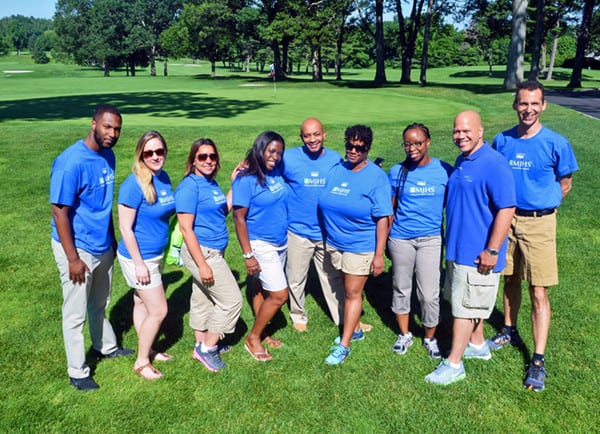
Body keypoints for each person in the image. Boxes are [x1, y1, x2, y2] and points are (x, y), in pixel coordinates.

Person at [487, 80, 579, 392]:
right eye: (523, 103)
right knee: (509, 279)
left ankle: (537, 359)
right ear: (515, 105)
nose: (528, 109)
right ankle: (508, 330)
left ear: (543, 106)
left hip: (540, 224)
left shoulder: (556, 142)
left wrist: (545, 207)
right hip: (506, 221)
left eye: (534, 104)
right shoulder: (502, 140)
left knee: (539, 291)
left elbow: (565, 182)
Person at [424, 110, 515, 385]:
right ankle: (478, 346)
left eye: (466, 131)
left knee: (463, 309)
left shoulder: (494, 164)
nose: (460, 136)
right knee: (465, 302)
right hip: (458, 250)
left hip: (478, 255)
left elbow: (507, 208)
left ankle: (454, 364)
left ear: (480, 131)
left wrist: (492, 250)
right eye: (456, 131)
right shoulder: (463, 160)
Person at [50, 105, 133, 391]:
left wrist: (110, 238)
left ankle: (106, 346)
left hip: (102, 244)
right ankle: (78, 371)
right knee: (75, 312)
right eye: (107, 127)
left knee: (100, 302)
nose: (112, 133)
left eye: (117, 129)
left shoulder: (108, 155)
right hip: (77, 247)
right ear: (93, 124)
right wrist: (73, 259)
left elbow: (102, 204)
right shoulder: (70, 162)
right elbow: (59, 211)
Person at [318, 125, 393, 365]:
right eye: (349, 145)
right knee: (344, 286)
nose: (352, 151)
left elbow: (383, 218)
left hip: (360, 245)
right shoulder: (337, 169)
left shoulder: (377, 178)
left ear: (367, 149)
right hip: (335, 242)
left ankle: (345, 344)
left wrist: (379, 255)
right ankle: (356, 329)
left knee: (352, 292)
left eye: (359, 148)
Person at [176, 139, 243, 372]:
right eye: (202, 156)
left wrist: (234, 185)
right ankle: (208, 349)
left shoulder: (210, 184)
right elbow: (186, 229)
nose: (208, 161)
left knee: (203, 298)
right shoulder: (189, 187)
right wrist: (203, 264)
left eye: (212, 157)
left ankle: (200, 343)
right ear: (193, 159)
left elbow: (219, 211)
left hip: (213, 251)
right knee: (232, 301)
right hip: (202, 253)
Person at [387, 123, 452, 359]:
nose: (412, 148)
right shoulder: (396, 172)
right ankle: (404, 334)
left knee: (428, 293)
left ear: (428, 142)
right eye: (407, 143)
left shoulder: (444, 170)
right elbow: (390, 208)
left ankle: (429, 336)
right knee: (401, 287)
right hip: (401, 238)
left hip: (431, 239)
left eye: (417, 143)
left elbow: (454, 201)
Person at [117, 131, 176, 380]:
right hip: (137, 258)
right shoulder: (133, 184)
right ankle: (141, 362)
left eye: (159, 151)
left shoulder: (163, 178)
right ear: (141, 154)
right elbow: (125, 228)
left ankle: (148, 348)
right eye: (148, 152)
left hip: (155, 255)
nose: (154, 156)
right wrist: (139, 264)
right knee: (159, 310)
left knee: (141, 302)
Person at [283, 117, 345, 332]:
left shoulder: (335, 159)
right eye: (307, 135)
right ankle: (298, 315)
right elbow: (267, 166)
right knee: (296, 277)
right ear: (301, 137)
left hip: (326, 231)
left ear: (324, 134)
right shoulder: (288, 158)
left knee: (332, 277)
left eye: (316, 134)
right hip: (298, 231)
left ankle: (344, 317)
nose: (312, 139)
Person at [232, 131, 289, 362]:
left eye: (279, 153)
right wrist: (248, 255)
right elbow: (238, 219)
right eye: (271, 151)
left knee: (260, 288)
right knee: (279, 294)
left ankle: (263, 332)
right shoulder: (246, 180)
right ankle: (252, 338)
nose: (275, 156)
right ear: (260, 149)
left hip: (280, 243)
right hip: (259, 243)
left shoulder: (277, 173)